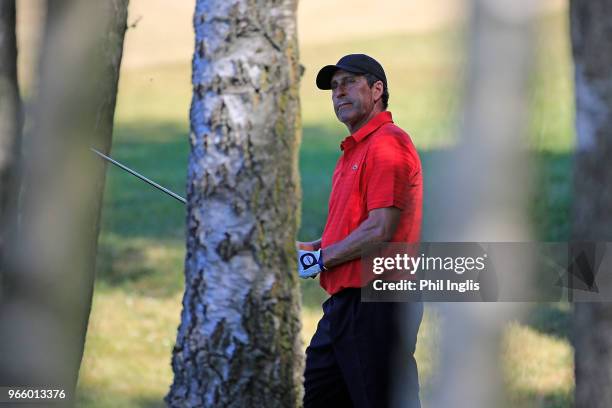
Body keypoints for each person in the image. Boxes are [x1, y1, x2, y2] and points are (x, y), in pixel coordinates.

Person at [297, 54, 424, 408]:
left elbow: (380, 228)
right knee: (319, 394)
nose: (339, 93)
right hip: (345, 303)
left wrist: (321, 259)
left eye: (349, 83)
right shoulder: (354, 150)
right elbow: (355, 225)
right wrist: (312, 247)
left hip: (378, 301)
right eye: (334, 88)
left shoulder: (388, 143)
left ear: (377, 89)